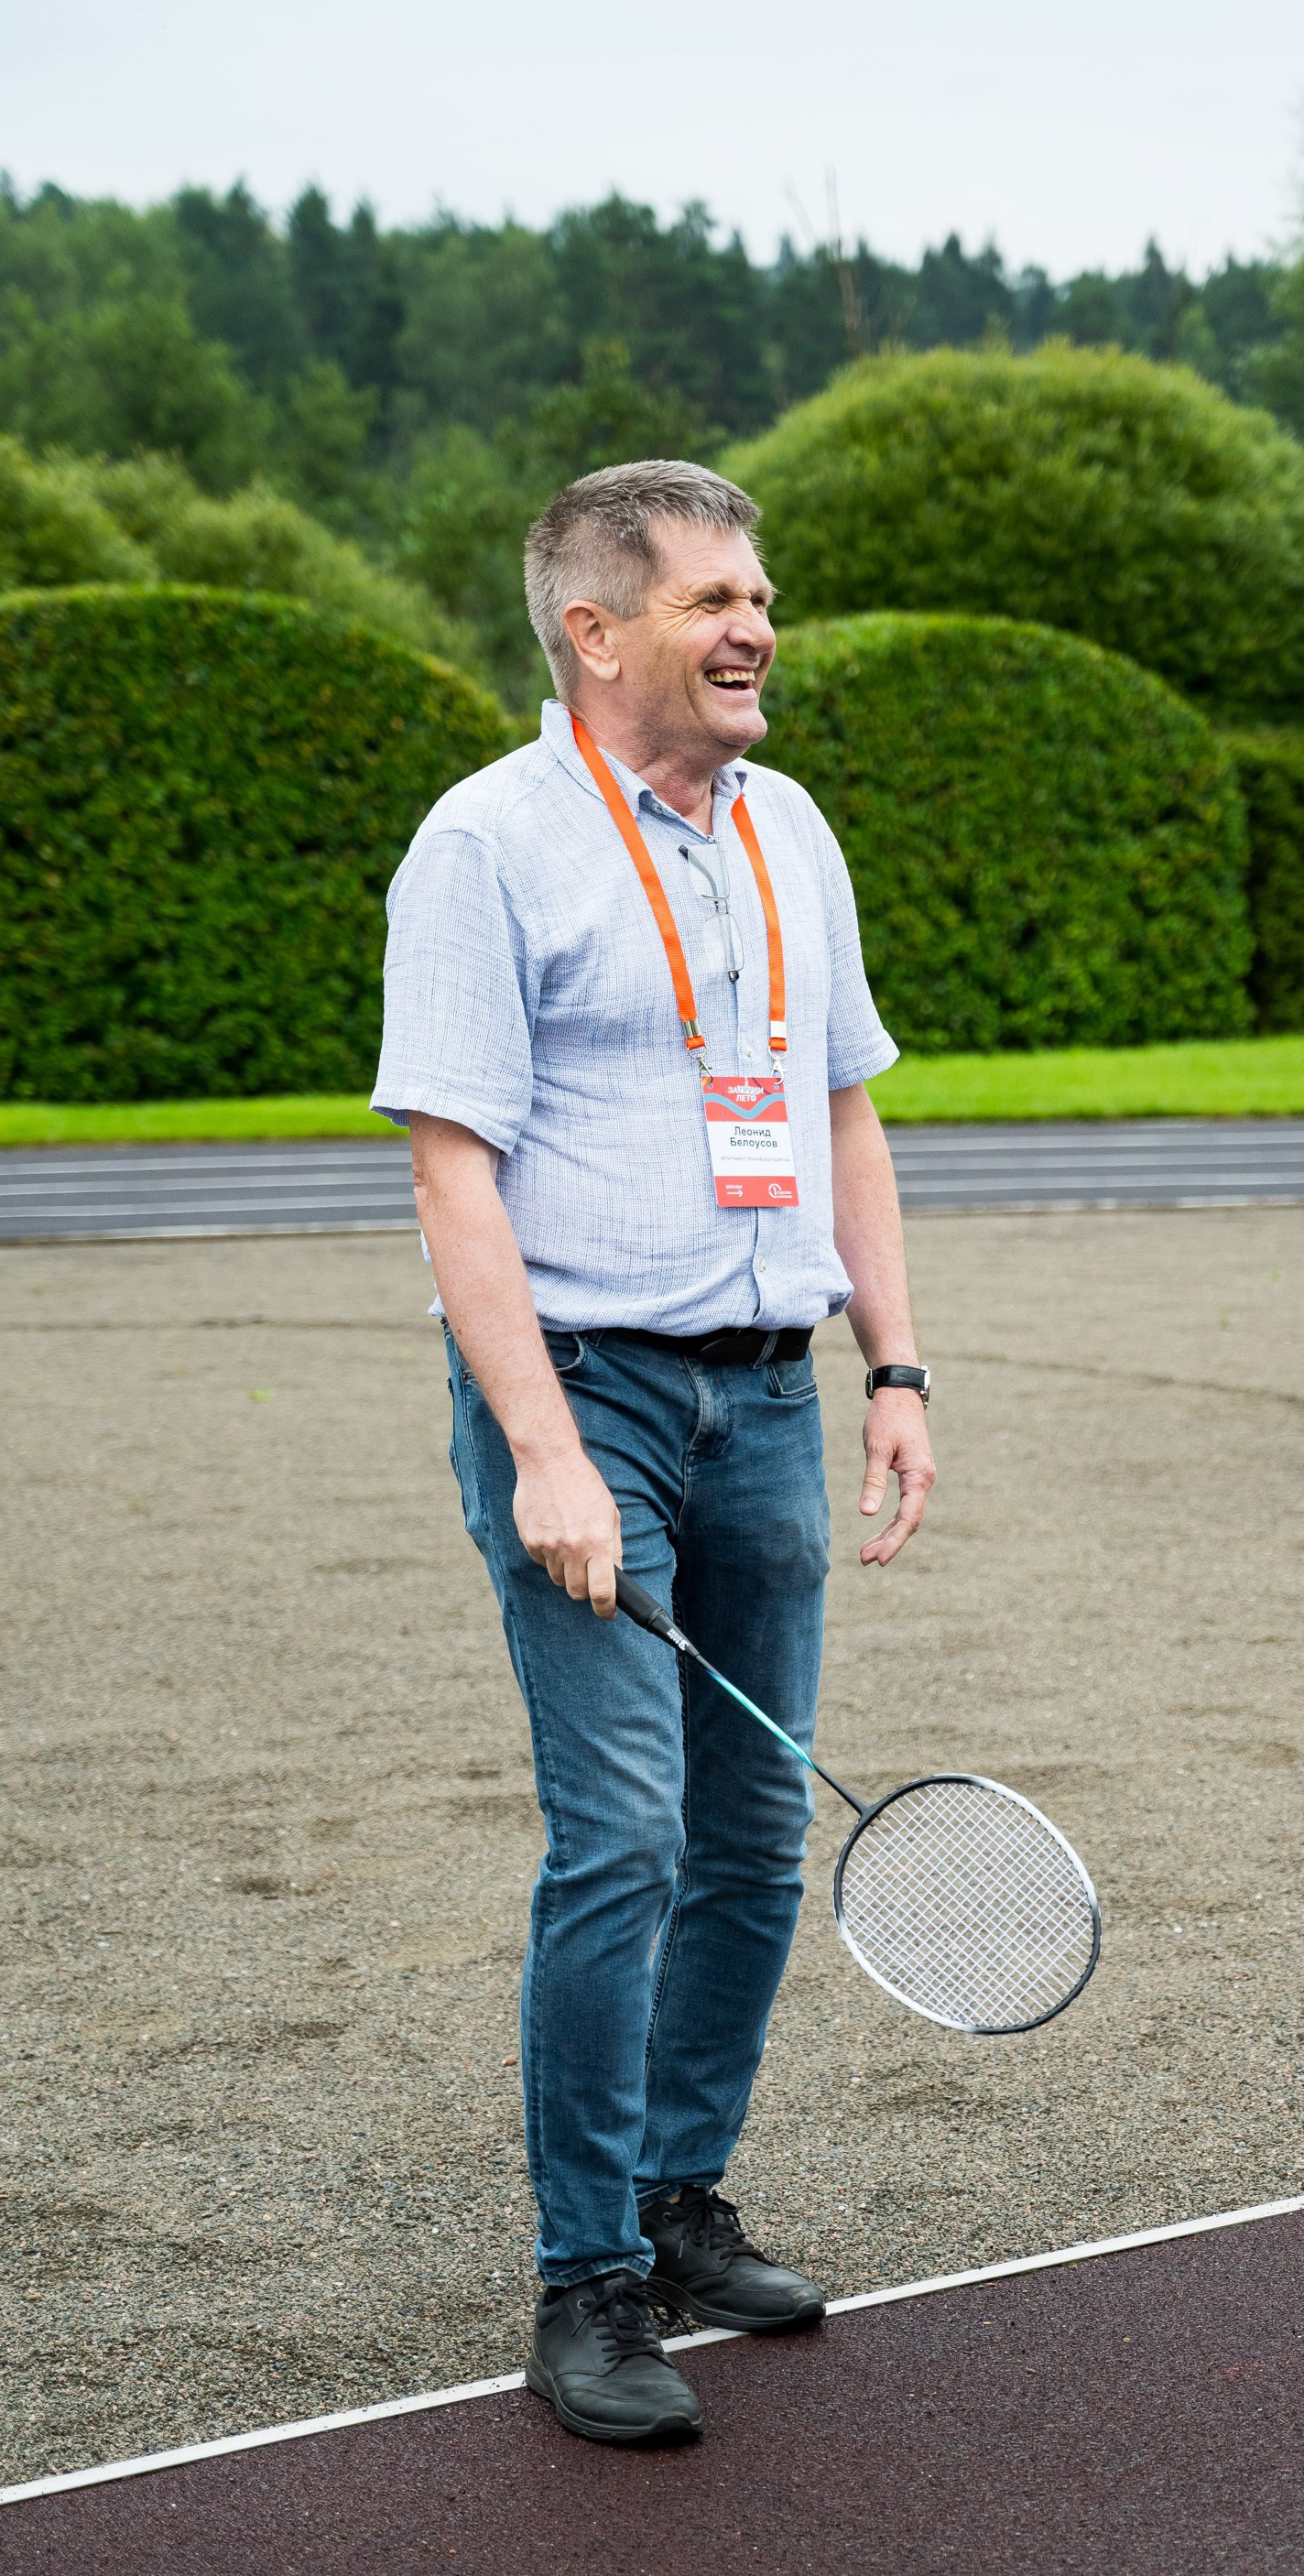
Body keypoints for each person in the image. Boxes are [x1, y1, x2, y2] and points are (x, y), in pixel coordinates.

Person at [371, 460, 935, 2447]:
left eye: (759, 591)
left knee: (752, 1838)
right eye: (708, 597)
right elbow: (454, 1171)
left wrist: (893, 1364)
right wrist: (539, 1449)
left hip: (765, 1387)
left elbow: (844, 1111)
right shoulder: (485, 845)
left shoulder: (790, 828)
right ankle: (586, 2277)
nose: (753, 624)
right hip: (583, 1387)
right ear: (593, 632)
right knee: (619, 1837)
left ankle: (682, 2197)